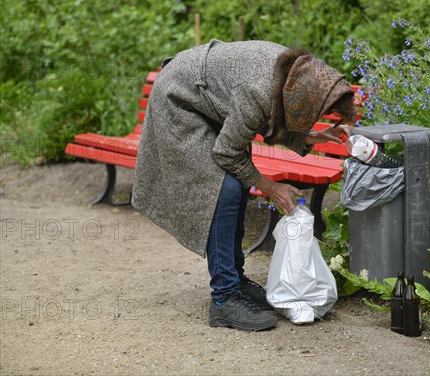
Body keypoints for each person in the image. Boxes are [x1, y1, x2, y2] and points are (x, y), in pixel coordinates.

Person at [132, 39, 356, 331]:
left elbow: (266, 120)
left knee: (235, 184)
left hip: (207, 102)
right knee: (223, 190)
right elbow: (227, 152)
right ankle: (224, 299)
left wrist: (311, 136)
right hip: (178, 100)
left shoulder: (292, 74)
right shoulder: (258, 88)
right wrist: (272, 188)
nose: (314, 117)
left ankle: (235, 279)